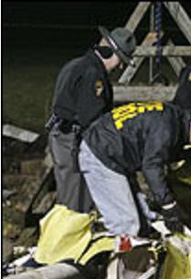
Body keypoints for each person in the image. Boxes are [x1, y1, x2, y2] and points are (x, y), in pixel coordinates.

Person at [78, 101, 191, 236]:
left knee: (146, 217)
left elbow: (155, 147)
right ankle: (116, 263)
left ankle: (141, 258)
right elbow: (152, 166)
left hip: (112, 149)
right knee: (126, 223)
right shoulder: (167, 129)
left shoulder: (172, 116)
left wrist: (185, 154)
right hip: (101, 154)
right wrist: (168, 205)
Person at [46, 26, 136, 214]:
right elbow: (93, 118)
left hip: (65, 136)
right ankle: (65, 239)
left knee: (77, 194)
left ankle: (74, 234)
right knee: (73, 199)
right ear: (111, 52)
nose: (120, 67)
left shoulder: (78, 64)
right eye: (121, 61)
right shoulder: (92, 74)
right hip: (72, 139)